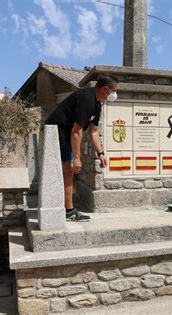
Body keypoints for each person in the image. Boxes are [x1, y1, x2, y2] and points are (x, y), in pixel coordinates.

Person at [45, 75, 118, 221]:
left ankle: (65, 207)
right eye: (114, 90)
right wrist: (76, 158)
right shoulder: (86, 99)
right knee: (69, 169)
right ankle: (69, 211)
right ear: (105, 89)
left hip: (67, 132)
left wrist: (101, 153)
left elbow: (94, 131)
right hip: (58, 131)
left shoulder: (97, 104)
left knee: (68, 170)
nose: (115, 94)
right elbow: (76, 131)